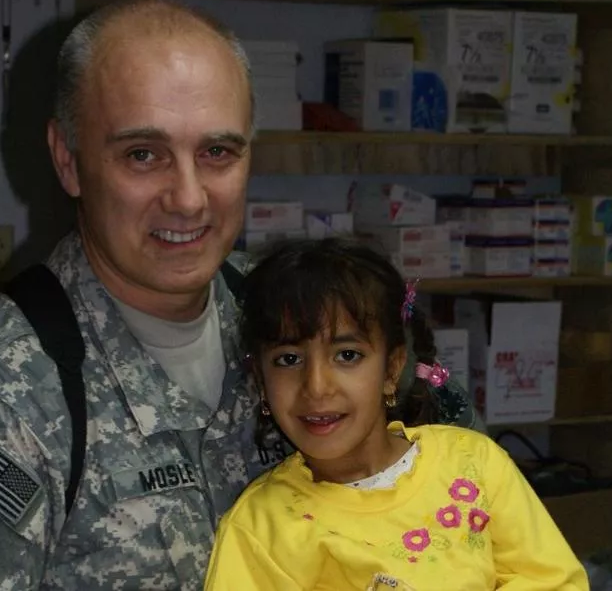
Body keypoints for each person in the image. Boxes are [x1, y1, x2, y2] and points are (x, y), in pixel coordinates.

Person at [0, 0, 478, 590]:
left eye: (217, 152)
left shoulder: (309, 315)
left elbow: (473, 487)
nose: (189, 197)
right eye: (144, 154)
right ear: (68, 160)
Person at [204, 238, 589, 590]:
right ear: (262, 381)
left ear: (391, 370)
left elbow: (555, 581)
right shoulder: (259, 529)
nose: (317, 387)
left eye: (347, 355)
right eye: (289, 359)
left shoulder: (474, 464)